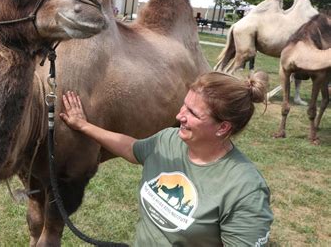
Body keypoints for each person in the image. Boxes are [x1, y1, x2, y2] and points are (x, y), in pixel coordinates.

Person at [60, 71, 273, 246]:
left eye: (192, 113)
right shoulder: (169, 140)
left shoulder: (245, 190)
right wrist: (83, 125)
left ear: (223, 127)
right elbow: (131, 147)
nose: (180, 116)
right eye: (184, 105)